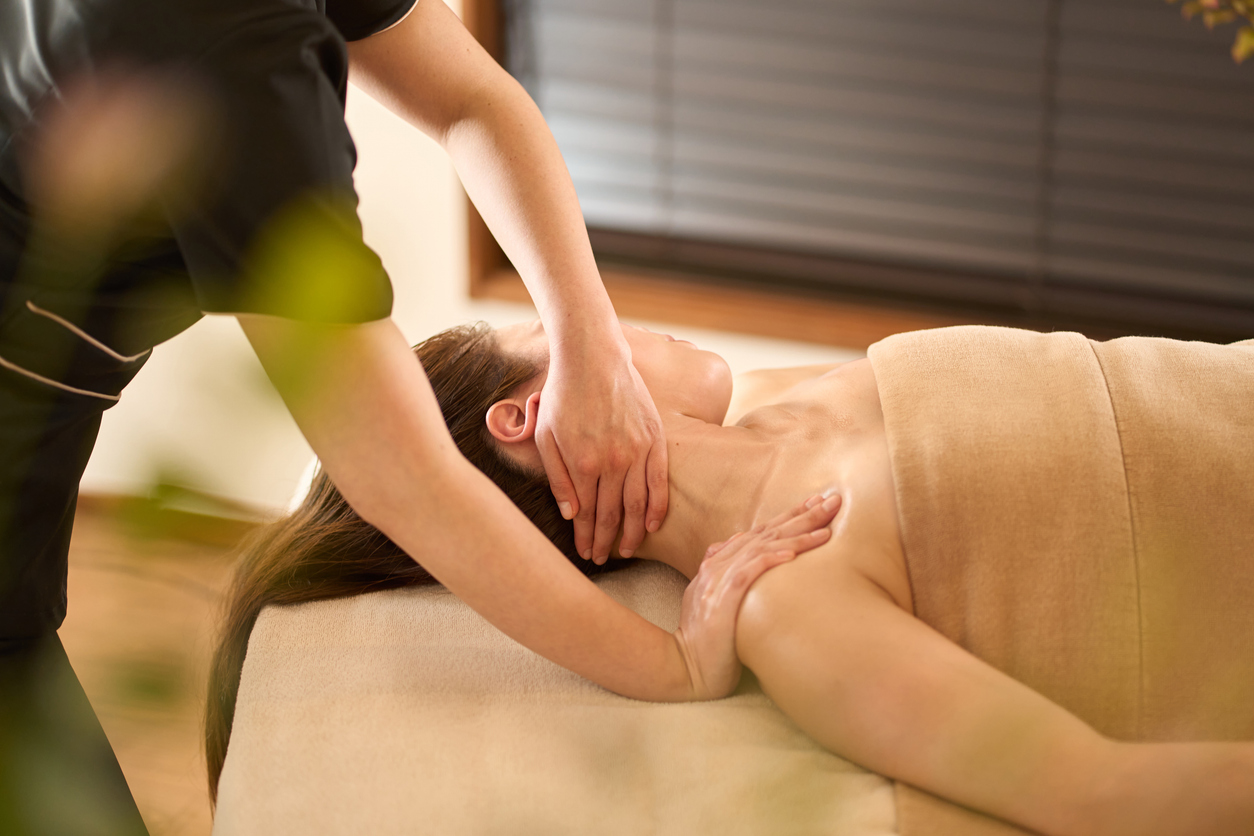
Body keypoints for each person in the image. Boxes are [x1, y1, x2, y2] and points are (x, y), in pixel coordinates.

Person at [0, 1, 825, 830]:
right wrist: (675, 666)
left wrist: (588, 337)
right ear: (522, 418)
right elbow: (403, 475)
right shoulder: (226, 44)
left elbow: (472, 101)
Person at [208, 319, 1254, 835]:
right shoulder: (792, 608)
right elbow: (1098, 792)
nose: (602, 313)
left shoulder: (800, 396)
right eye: (557, 324)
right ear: (528, 419)